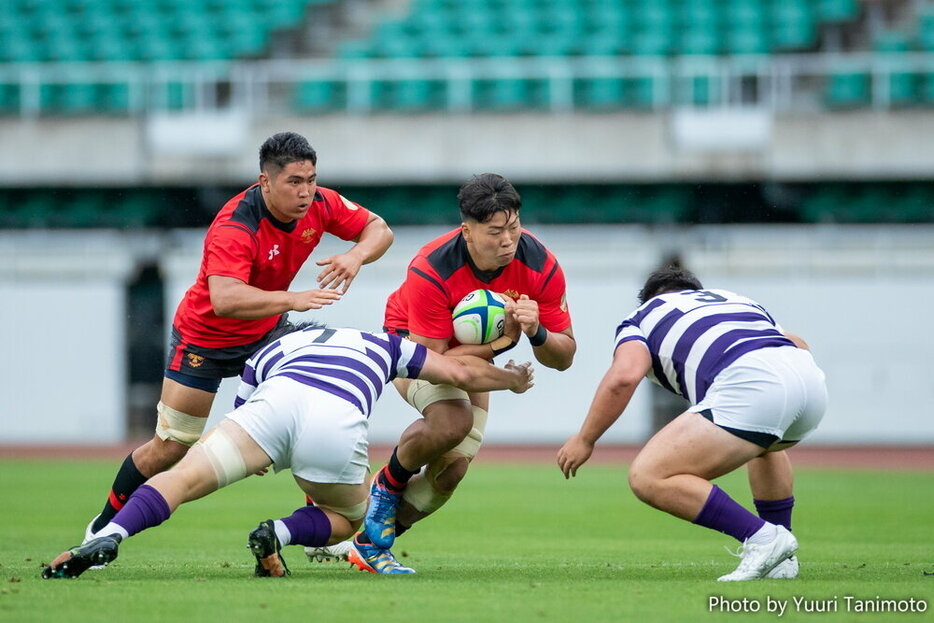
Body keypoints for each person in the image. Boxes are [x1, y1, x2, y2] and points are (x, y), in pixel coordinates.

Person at [83, 131, 394, 541]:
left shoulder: (321, 203)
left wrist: (355, 254)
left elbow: (379, 229)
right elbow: (225, 299)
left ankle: (325, 522)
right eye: (294, 183)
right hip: (205, 339)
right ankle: (102, 526)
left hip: (267, 336)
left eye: (311, 180)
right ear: (265, 182)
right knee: (172, 446)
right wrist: (293, 299)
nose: (306, 192)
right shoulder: (235, 225)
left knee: (317, 403)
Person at [42, 324, 534, 579]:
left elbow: (246, 403)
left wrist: (259, 456)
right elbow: (462, 375)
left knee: (179, 480)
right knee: (346, 517)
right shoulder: (381, 343)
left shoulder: (269, 352)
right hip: (335, 419)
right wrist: (510, 380)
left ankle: (110, 534)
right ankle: (277, 532)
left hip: (272, 405)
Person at [335, 172, 576, 574]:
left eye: (513, 228)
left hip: (466, 354)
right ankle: (382, 503)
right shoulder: (431, 268)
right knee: (452, 420)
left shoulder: (542, 265)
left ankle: (368, 540)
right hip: (408, 345)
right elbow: (435, 362)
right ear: (467, 230)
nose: (507, 241)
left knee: (452, 471)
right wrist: (500, 352)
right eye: (494, 232)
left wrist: (538, 332)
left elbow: (564, 356)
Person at [557, 267, 827, 581]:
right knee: (763, 445)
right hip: (810, 387)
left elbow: (625, 376)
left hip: (752, 384)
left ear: (649, 298)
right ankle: (782, 559)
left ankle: (763, 538)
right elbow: (795, 342)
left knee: (649, 476)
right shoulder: (736, 300)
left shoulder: (642, 315)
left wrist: (586, 438)